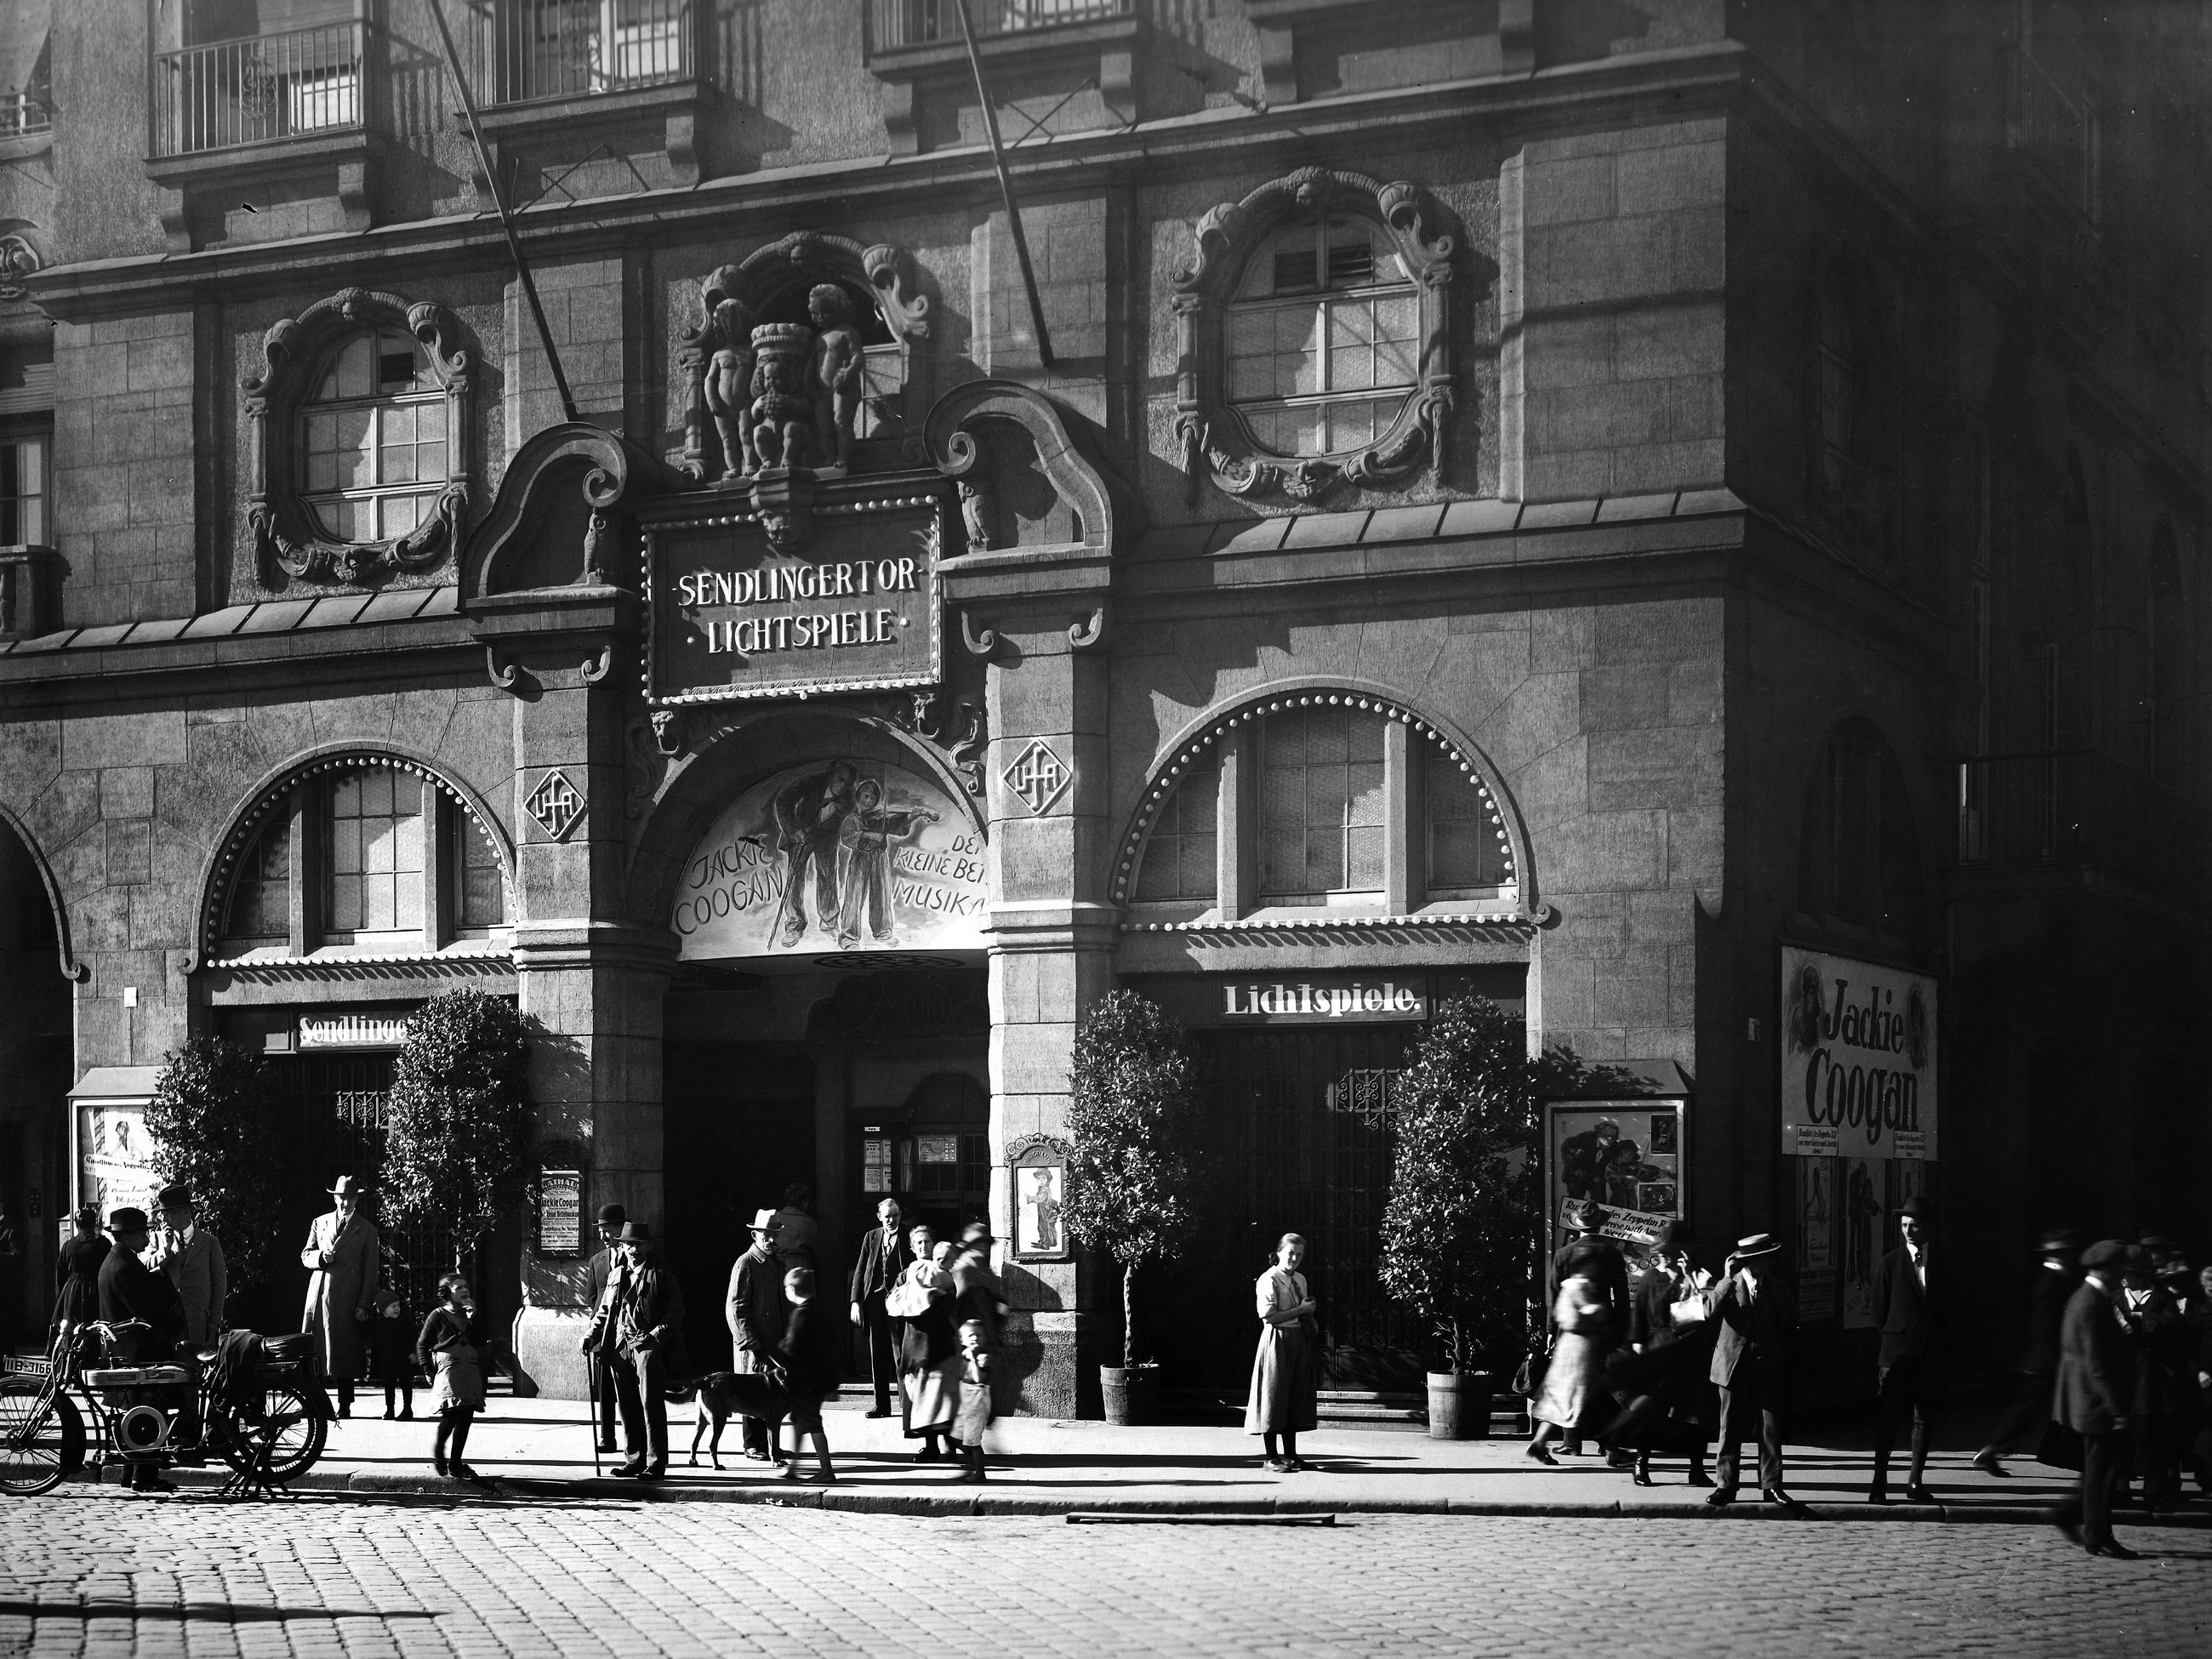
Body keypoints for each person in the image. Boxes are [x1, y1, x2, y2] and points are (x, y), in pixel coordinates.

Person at [1605, 1219, 1715, 1486]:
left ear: (1683, 1254)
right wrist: (1638, 1346)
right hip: (1658, 1352)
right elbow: (1640, 1315)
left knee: (1693, 1415)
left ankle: (1697, 1468)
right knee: (1649, 1412)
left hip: (1689, 1354)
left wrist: (1689, 1277)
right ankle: (1641, 1465)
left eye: (1669, 1253)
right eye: (1660, 1253)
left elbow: (1705, 1312)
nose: (1662, 1257)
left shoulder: (1698, 1277)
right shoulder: (1652, 1278)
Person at [1703, 1232, 1802, 1512]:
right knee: (1730, 1426)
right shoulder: (1728, 1285)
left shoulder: (1778, 1287)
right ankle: (1725, 1486)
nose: (1772, 1262)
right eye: (1767, 1258)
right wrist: (1725, 1279)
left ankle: (1772, 1486)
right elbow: (1709, 1312)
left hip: (1767, 1365)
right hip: (1733, 1366)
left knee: (1770, 1428)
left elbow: (1790, 1321)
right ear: (1752, 1261)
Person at [584, 1220, 687, 1482]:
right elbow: (604, 1311)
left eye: (639, 1244)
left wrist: (655, 1338)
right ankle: (633, 1459)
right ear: (622, 1247)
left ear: (648, 1245)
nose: (633, 1249)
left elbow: (675, 1312)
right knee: (627, 1406)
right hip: (621, 1347)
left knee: (651, 1405)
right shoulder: (617, 1274)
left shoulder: (662, 1274)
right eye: (629, 1244)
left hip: (647, 1348)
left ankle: (655, 1463)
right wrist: (590, 1335)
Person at [2053, 1240, 2138, 1558]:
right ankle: (2099, 1536)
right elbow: (2097, 1364)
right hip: (2096, 1402)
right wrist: (2118, 1410)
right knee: (2101, 1476)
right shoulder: (2091, 1302)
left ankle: (2082, 1525)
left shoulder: (2087, 1297)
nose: (2123, 1273)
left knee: (2096, 1472)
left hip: (2089, 1399)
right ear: (2107, 1269)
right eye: (2120, 1267)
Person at [96, 1206, 189, 1493]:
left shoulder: (120, 1260)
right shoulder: (123, 1267)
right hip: (137, 1352)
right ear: (128, 1236)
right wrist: (176, 1325)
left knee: (136, 1414)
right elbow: (146, 1309)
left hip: (130, 1349)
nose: (147, 1238)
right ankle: (144, 1476)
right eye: (142, 1233)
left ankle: (131, 1472)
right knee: (150, 1412)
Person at [1973, 1228, 2079, 1475]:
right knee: (2030, 1411)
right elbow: (2045, 1328)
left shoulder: (2059, 1279)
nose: (2068, 1257)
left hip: (2043, 1362)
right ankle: (1993, 1449)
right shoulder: (2050, 1282)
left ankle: (1994, 1449)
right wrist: (2056, 1364)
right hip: (2044, 1364)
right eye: (2064, 1253)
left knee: (2030, 1411)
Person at [1868, 1197, 1942, 1503]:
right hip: (1897, 1356)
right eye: (1904, 1226)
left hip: (1929, 1356)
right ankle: (1879, 1483)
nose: (1909, 1231)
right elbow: (1878, 1311)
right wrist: (1897, 1338)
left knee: (1923, 1418)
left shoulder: (1942, 1263)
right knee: (1888, 1419)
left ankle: (1915, 1482)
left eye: (1914, 1225)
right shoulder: (1890, 1263)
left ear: (1928, 1227)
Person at [1549, 1201, 1628, 1460]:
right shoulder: (1612, 1254)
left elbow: (1555, 1296)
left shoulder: (1563, 1254)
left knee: (1570, 1383)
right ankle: (1608, 1443)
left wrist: (1551, 1330)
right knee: (1605, 1386)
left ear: (1577, 1226)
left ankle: (1571, 1442)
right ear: (1600, 1225)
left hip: (1571, 1329)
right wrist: (1623, 1330)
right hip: (1604, 1329)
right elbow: (1621, 1297)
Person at [299, 1174, 379, 1417]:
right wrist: (319, 1257)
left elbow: (371, 1271)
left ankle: (345, 1405)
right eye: (341, 1198)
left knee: (344, 1351)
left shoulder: (367, 1230)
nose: (345, 1203)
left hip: (347, 1299)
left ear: (356, 1200)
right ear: (335, 1199)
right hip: (320, 1295)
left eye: (350, 1198)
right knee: (316, 1350)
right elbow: (305, 1255)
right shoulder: (320, 1222)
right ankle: (313, 1403)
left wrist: (364, 1304)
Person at [1246, 1232, 1320, 1473]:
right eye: (1290, 1253)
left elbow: (1303, 1310)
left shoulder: (1300, 1278)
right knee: (1273, 1395)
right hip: (1277, 1340)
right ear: (1278, 1253)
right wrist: (1301, 1310)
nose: (1294, 1258)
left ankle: (1291, 1455)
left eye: (1299, 1255)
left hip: (1298, 1340)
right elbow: (1269, 1317)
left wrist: (1308, 1313)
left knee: (1294, 1396)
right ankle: (1271, 1457)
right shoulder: (1269, 1279)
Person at [888, 1222, 959, 1462]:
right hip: (915, 1341)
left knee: (941, 1393)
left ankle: (950, 1443)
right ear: (911, 1247)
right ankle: (931, 1446)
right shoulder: (906, 1274)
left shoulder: (943, 1274)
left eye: (927, 1241)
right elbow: (893, 1301)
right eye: (918, 1242)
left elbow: (948, 1302)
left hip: (939, 1340)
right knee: (921, 1394)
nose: (923, 1245)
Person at [1527, 1261, 1610, 1466]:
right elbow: (1575, 1319)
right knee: (1585, 1399)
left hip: (1570, 1348)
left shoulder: (1569, 1287)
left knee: (1563, 1401)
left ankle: (1539, 1442)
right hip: (1579, 1349)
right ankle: (1612, 1448)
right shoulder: (1578, 1287)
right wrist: (1598, 1310)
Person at [725, 1207, 787, 1462]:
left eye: (774, 1235)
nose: (771, 1239)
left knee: (770, 1395)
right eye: (766, 1235)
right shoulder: (746, 1262)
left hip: (773, 1343)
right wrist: (750, 1343)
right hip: (755, 1346)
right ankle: (752, 1444)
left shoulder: (776, 1263)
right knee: (751, 1393)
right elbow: (735, 1308)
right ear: (755, 1235)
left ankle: (771, 1446)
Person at [847, 1195, 913, 1418]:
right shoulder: (871, 1236)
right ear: (879, 1217)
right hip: (875, 1302)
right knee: (877, 1354)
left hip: (900, 1303)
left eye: (895, 1216)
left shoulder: (908, 1236)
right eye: (887, 1216)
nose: (891, 1220)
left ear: (900, 1215)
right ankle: (882, 1406)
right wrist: (855, 1301)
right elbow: (860, 1270)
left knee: (900, 1354)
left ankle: (907, 1407)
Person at [772, 1266, 838, 1484]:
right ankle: (794, 1467)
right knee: (799, 1421)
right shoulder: (821, 1310)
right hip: (820, 1378)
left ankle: (827, 1471)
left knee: (812, 1422)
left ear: (792, 1290)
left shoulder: (800, 1314)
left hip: (806, 1381)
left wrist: (781, 1345)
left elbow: (792, 1346)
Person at [418, 1272, 485, 1482]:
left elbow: (481, 1339)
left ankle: (456, 1463)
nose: (464, 1290)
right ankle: (439, 1452)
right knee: (451, 1414)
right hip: (449, 1373)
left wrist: (474, 1318)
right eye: (458, 1288)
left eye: (466, 1286)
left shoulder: (471, 1314)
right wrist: (428, 1371)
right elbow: (423, 1344)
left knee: (466, 1417)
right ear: (447, 1292)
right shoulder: (438, 1315)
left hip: (469, 1371)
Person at [149, 1184, 227, 1353]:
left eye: (169, 1213)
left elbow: (219, 1287)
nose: (164, 1219)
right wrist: (165, 1250)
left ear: (186, 1212)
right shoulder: (157, 1240)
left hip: (200, 1325)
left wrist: (214, 1324)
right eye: (162, 1214)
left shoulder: (209, 1242)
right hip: (169, 1326)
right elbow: (145, 1273)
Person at [583, 1203, 627, 1453]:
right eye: (600, 1231)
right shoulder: (596, 1260)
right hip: (602, 1333)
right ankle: (607, 1437)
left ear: (620, 1228)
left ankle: (634, 1437)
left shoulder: (633, 1256)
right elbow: (593, 1298)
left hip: (626, 1332)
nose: (602, 1236)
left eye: (607, 1230)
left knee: (629, 1390)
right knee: (605, 1389)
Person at [50, 1204, 108, 1358]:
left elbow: (60, 1274)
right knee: (94, 1327)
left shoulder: (69, 1245)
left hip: (72, 1291)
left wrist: (62, 1297)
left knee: (70, 1328)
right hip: (95, 1290)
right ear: (94, 1223)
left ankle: (68, 1359)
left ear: (77, 1224)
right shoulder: (103, 1244)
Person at [951, 1319, 994, 1484]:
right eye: (971, 1335)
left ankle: (980, 1473)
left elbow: (979, 1378)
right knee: (956, 1436)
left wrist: (973, 1359)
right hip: (965, 1401)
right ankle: (970, 1466)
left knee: (974, 1442)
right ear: (962, 1339)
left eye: (979, 1335)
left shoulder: (984, 1358)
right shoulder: (963, 1356)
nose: (975, 1338)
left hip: (977, 1401)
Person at [369, 1266, 413, 1421]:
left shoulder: (403, 1322)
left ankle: (407, 1409)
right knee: (389, 1384)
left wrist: (413, 1353)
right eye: (393, 1306)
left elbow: (412, 1337)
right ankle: (390, 1410)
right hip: (387, 1360)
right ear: (383, 1309)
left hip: (402, 1358)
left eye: (398, 1306)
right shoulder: (379, 1324)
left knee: (405, 1383)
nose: (397, 1309)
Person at [772, 1183, 819, 1274]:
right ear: (805, 1201)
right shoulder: (810, 1223)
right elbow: (819, 1255)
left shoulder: (774, 1219)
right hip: (801, 1272)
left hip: (776, 1271)